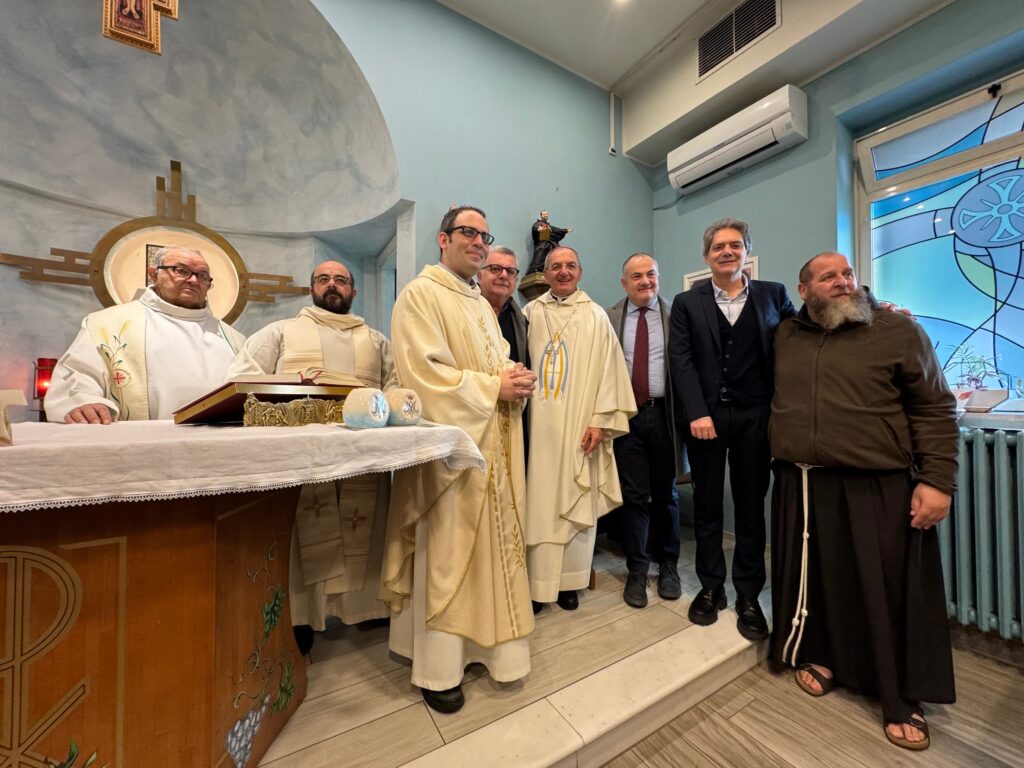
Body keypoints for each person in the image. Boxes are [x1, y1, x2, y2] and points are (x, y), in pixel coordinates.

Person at [770, 252, 957, 751]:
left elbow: (935, 407)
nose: (843, 282)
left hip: (878, 483)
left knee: (884, 590)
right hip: (807, 482)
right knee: (825, 582)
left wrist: (939, 481)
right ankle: (826, 656)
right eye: (828, 276)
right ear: (804, 290)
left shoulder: (897, 330)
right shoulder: (787, 335)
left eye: (848, 273)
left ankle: (898, 695)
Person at [381, 205, 537, 714]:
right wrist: (494, 387)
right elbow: (422, 376)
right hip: (451, 460)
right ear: (443, 239)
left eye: (485, 235)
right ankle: (440, 668)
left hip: (494, 451)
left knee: (492, 556)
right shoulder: (420, 295)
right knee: (449, 558)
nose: (479, 242)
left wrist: (514, 378)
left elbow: (491, 363)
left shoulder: (480, 304)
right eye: (468, 232)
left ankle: (488, 653)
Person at [225, 260, 397, 641]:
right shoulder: (281, 332)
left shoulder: (376, 341)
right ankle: (300, 617)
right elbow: (239, 380)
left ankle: (364, 608)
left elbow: (395, 387)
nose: (332, 284)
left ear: (353, 291)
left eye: (341, 280)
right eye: (323, 279)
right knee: (302, 537)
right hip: (302, 458)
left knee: (365, 528)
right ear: (311, 288)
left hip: (362, 458)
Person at [668, 219, 795, 640]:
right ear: (706, 256)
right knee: (707, 506)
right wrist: (696, 412)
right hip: (705, 419)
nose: (727, 251)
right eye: (718, 246)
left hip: (756, 416)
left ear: (746, 252)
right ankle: (710, 587)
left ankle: (748, 594)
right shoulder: (687, 302)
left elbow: (801, 336)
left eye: (735, 245)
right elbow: (681, 360)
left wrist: (872, 307)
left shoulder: (773, 294)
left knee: (750, 508)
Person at [524, 245, 635, 611]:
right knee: (538, 504)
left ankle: (569, 582)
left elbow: (610, 372)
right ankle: (536, 583)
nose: (563, 272)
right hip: (538, 430)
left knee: (577, 497)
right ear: (546, 274)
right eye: (556, 266)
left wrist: (601, 421)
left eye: (570, 266)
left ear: (580, 272)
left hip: (579, 428)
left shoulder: (596, 316)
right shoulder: (529, 313)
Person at [45, 245, 245, 423]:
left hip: (221, 440)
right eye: (182, 271)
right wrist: (85, 402)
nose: (193, 280)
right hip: (143, 442)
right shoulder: (108, 324)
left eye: (202, 276)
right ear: (153, 274)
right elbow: (79, 373)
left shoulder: (234, 339)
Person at [606, 253, 682, 608]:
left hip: (665, 415)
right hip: (627, 417)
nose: (645, 281)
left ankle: (668, 565)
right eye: (636, 276)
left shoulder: (675, 315)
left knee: (666, 495)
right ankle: (637, 568)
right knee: (634, 496)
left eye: (651, 274)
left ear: (658, 277)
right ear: (624, 283)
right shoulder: (609, 318)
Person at [478, 245, 531, 453]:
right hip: (477, 416)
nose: (503, 275)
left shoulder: (522, 321)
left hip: (512, 418)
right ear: (479, 274)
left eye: (510, 271)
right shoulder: (467, 313)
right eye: (495, 269)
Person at [526, 210, 572, 276]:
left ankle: (544, 269)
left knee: (551, 257)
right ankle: (535, 269)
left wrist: (566, 230)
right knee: (539, 255)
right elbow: (535, 227)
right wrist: (538, 229)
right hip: (542, 244)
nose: (545, 215)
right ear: (541, 216)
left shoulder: (548, 226)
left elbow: (557, 230)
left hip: (550, 244)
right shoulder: (539, 223)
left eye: (546, 214)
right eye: (544, 214)